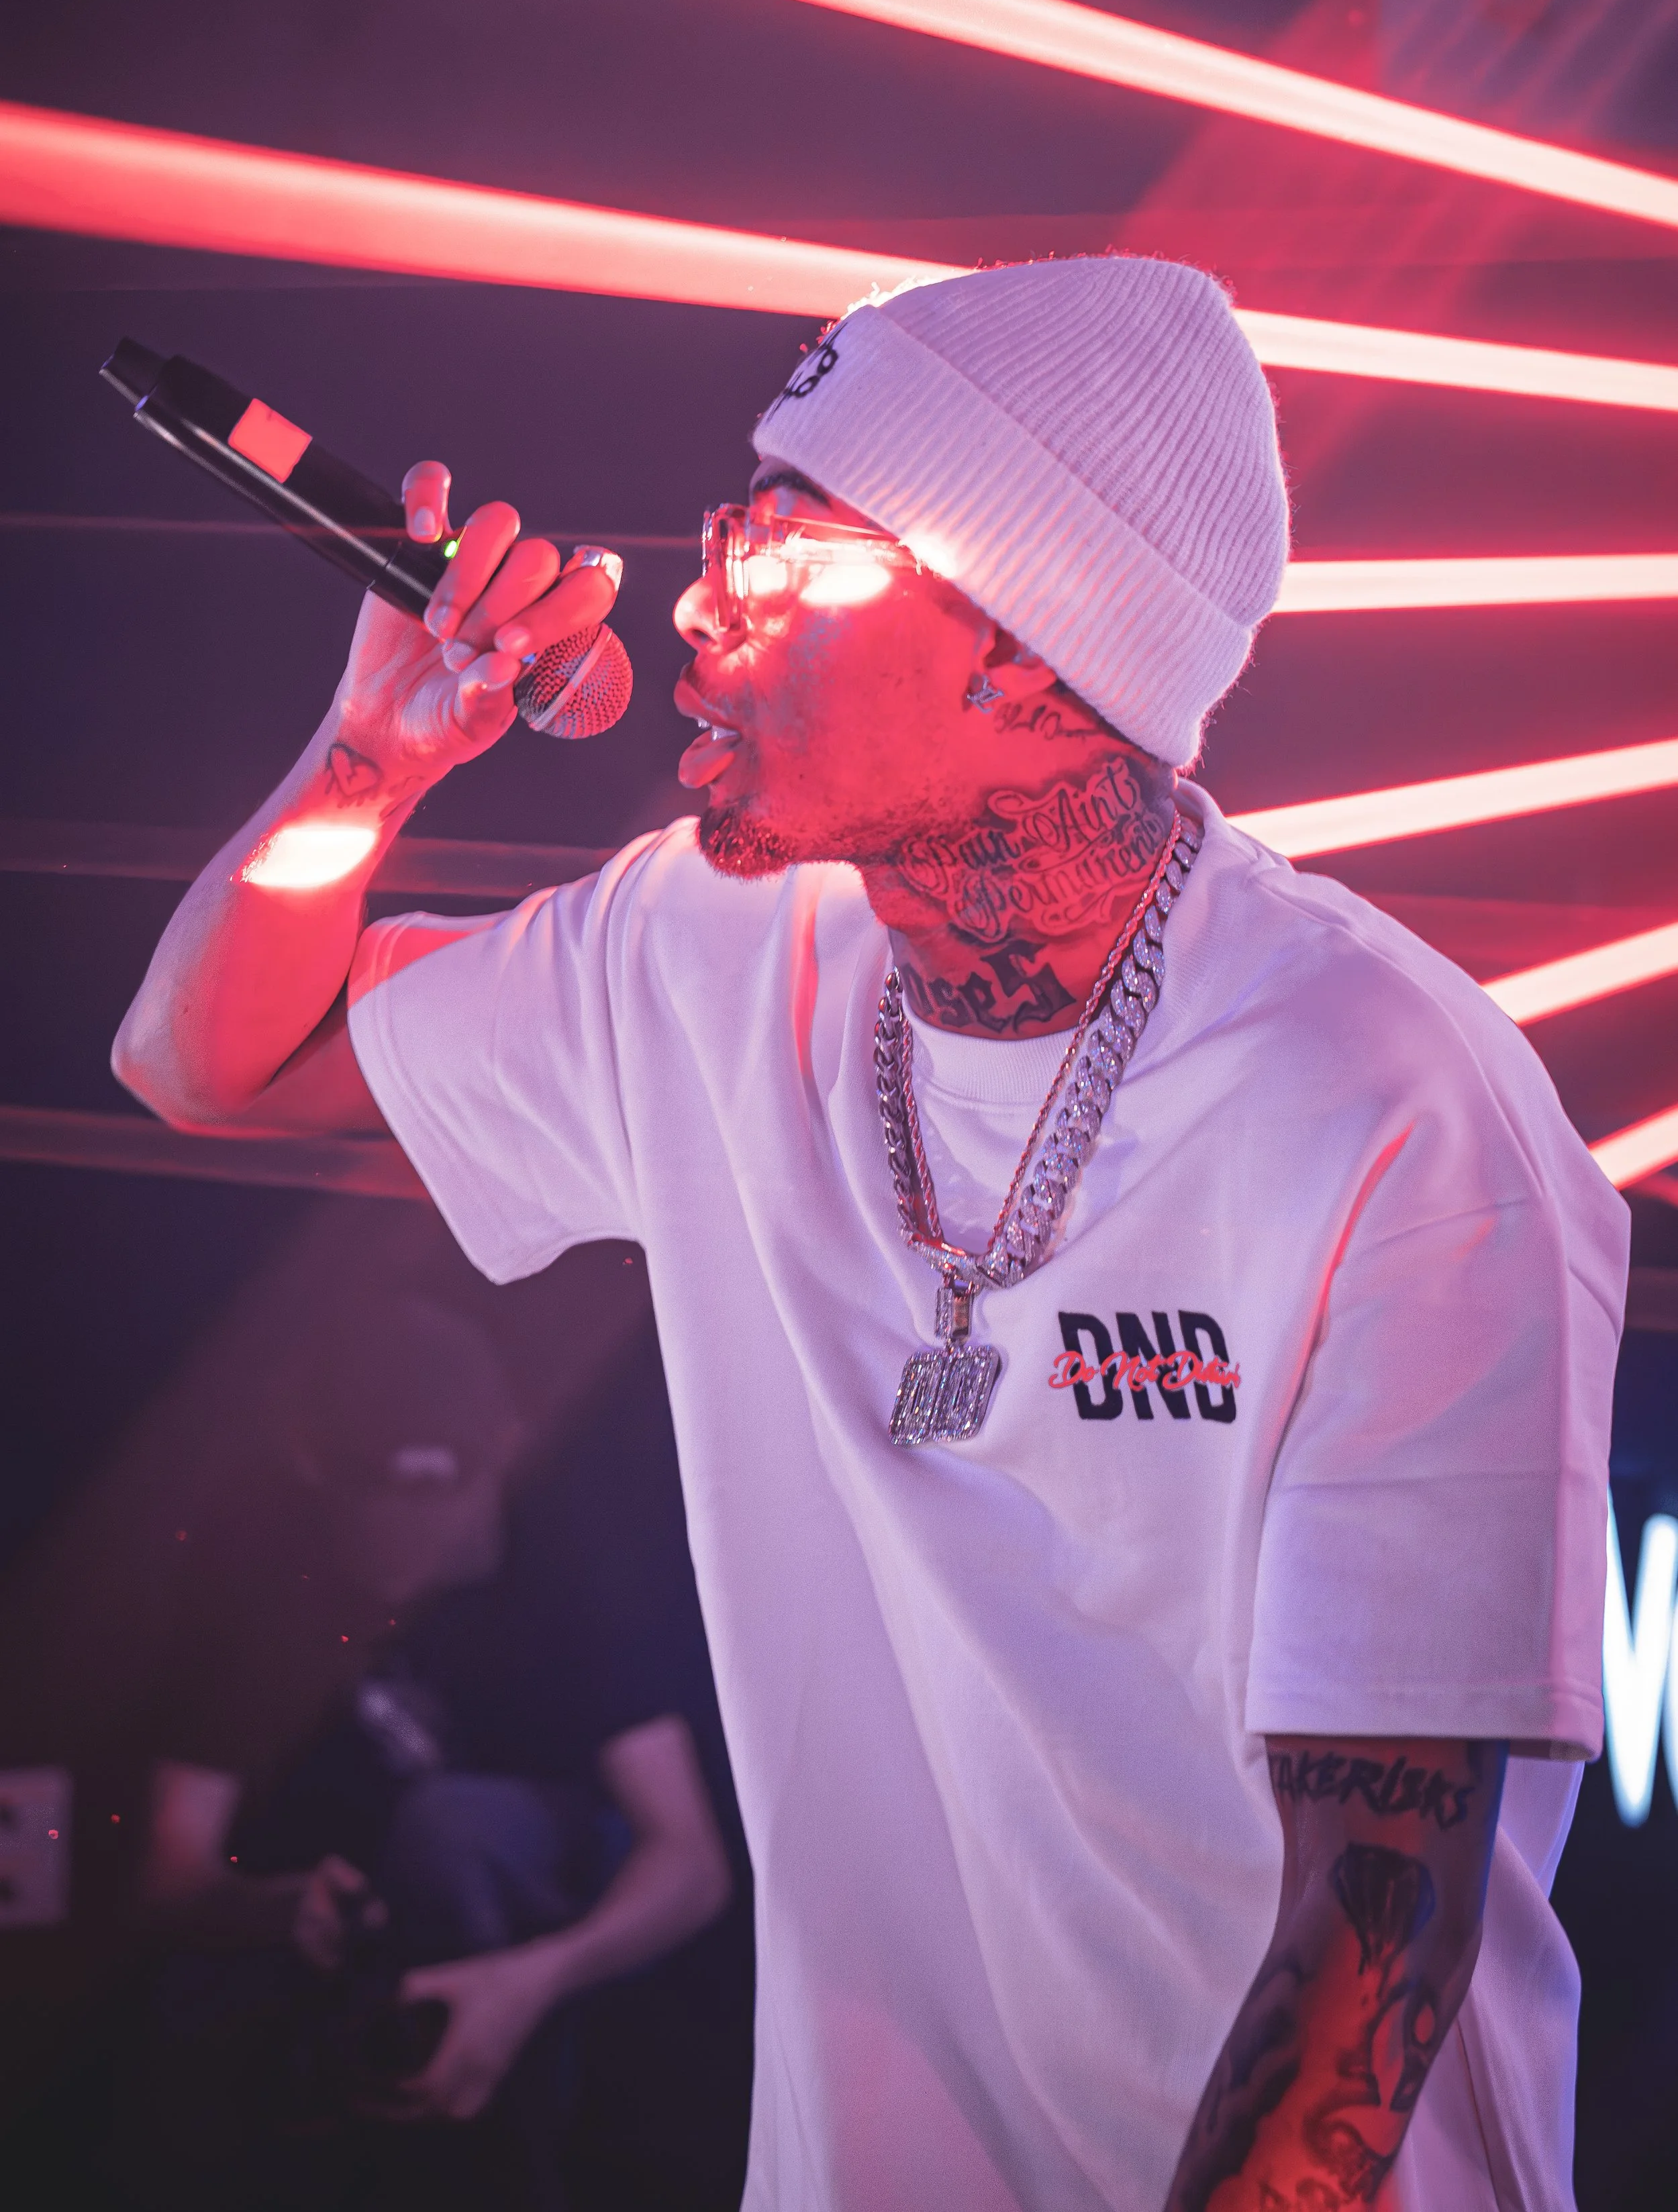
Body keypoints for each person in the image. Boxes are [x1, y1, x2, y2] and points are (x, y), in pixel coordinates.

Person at [113, 256, 1627, 2211]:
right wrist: (368, 761)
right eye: (727, 531)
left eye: (791, 563)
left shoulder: (1390, 1106)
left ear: (1026, 660)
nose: (696, 603)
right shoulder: (707, 952)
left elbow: (1372, 1907)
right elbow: (203, 1062)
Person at [126, 1297, 734, 2208]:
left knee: (456, 1829)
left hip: (540, 1908)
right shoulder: (258, 1574)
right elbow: (173, 1871)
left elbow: (689, 1862)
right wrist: (267, 1905)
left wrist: (524, 1983)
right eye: (377, 1497)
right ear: (312, 1469)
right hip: (348, 1933)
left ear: (503, 1449)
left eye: (440, 1494)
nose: (411, 1530)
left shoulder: (564, 1556)